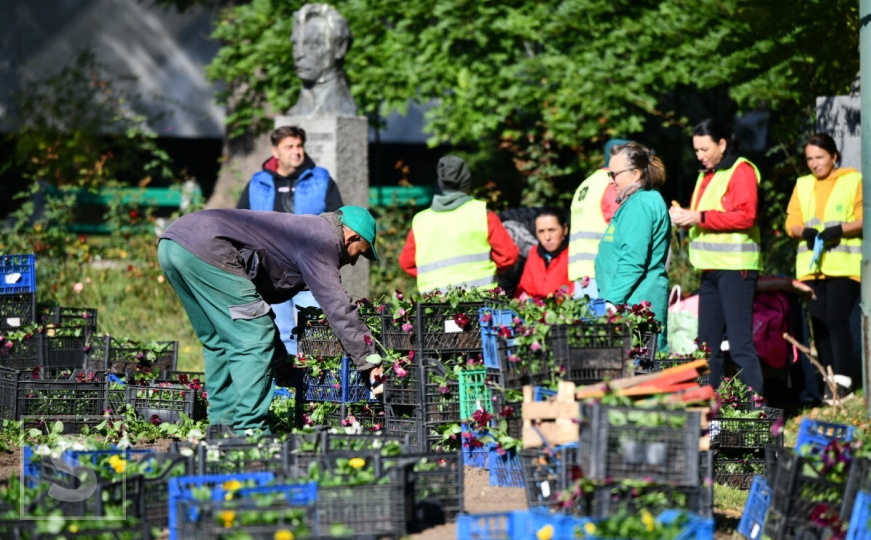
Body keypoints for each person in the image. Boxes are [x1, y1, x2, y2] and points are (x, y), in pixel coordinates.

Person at [157, 206, 381, 434]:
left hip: (173, 244)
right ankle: (250, 432)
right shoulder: (323, 241)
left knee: (219, 338)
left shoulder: (302, 232)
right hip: (206, 247)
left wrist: (282, 367)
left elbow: (256, 309)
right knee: (254, 336)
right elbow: (338, 306)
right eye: (359, 252)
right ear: (352, 237)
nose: (353, 262)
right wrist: (369, 360)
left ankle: (222, 426)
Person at [670, 119, 763, 393]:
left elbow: (746, 216)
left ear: (722, 144)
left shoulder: (740, 170)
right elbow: (709, 216)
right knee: (706, 345)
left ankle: (753, 410)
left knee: (739, 343)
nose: (700, 156)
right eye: (696, 150)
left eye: (704, 149)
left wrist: (697, 216)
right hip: (709, 269)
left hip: (736, 268)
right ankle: (708, 407)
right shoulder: (706, 175)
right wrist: (686, 217)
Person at [237, 125, 343, 356]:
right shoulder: (258, 183)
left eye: (299, 146)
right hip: (270, 274)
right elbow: (240, 225)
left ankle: (317, 388)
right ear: (275, 151)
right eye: (289, 147)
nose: (296, 151)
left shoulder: (321, 179)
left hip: (311, 271)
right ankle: (286, 390)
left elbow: (338, 222)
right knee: (281, 333)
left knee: (317, 332)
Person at [785, 133, 862, 396]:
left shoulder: (853, 180)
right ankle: (830, 380)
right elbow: (790, 222)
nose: (814, 163)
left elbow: (864, 218)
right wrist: (802, 232)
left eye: (820, 157)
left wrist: (840, 229)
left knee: (837, 318)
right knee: (819, 322)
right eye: (809, 159)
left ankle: (844, 380)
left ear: (834, 156)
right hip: (811, 268)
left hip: (844, 266)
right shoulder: (802, 184)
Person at [399, 155, 519, 292]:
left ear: (440, 182)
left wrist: (435, 275)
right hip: (479, 302)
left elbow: (407, 263)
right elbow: (508, 255)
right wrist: (486, 269)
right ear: (466, 181)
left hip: (434, 305)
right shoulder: (481, 213)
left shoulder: (421, 221)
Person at [594, 142, 670, 352]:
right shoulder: (636, 202)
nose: (611, 181)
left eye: (614, 174)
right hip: (632, 303)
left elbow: (633, 260)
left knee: (645, 373)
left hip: (637, 304)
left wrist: (611, 301)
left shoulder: (640, 204)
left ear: (636, 174)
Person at [568, 139, 628, 298]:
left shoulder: (586, 184)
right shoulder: (613, 184)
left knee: (586, 322)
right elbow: (622, 226)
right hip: (603, 272)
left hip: (580, 273)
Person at [287, 3, 357, 117]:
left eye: (313, 46)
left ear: (340, 48)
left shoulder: (341, 110)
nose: (299, 55)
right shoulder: (295, 111)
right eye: (295, 45)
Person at [515, 207, 573, 298]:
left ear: (565, 229)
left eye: (552, 230)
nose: (547, 237)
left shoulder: (573, 254)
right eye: (541, 231)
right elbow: (524, 290)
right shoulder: (534, 253)